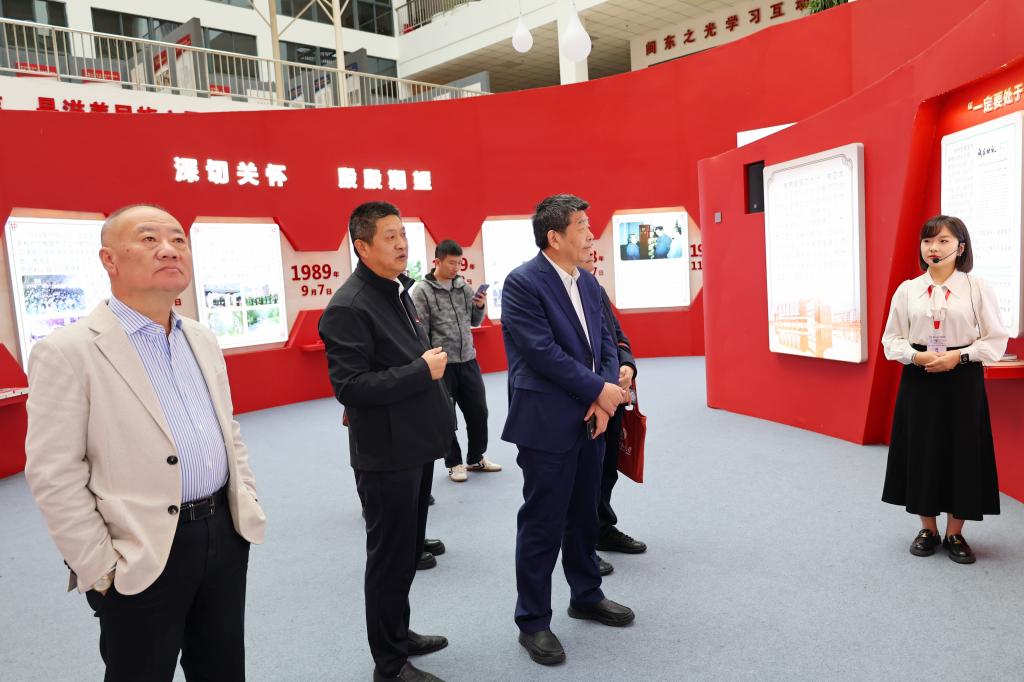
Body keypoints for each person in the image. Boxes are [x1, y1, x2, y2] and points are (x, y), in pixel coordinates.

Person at [24, 204, 266, 682]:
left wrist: (246, 501)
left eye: (178, 239)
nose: (169, 250)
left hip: (222, 532)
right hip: (138, 548)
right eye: (149, 239)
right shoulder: (68, 351)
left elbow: (228, 430)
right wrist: (98, 566)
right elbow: (54, 472)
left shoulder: (201, 338)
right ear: (109, 260)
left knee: (222, 668)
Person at [319, 201, 455, 682]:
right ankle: (390, 664)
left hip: (415, 445)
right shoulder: (349, 306)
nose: (402, 244)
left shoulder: (396, 289)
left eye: (403, 234)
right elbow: (351, 387)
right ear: (362, 246)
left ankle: (399, 634)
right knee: (389, 560)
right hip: (387, 455)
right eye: (390, 236)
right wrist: (422, 371)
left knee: (407, 554)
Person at [501, 194, 634, 667]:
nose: (591, 234)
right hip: (547, 422)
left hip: (592, 418)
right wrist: (600, 392)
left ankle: (587, 595)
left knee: (583, 515)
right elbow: (542, 354)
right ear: (554, 237)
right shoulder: (522, 283)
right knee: (542, 523)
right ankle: (533, 621)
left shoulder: (589, 283)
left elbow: (606, 343)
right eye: (582, 225)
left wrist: (607, 392)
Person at [881, 215, 1008, 564]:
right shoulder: (908, 290)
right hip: (920, 376)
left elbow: (995, 340)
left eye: (943, 241)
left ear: (961, 247)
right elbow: (891, 339)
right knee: (922, 449)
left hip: (962, 377)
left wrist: (959, 356)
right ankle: (928, 529)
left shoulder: (977, 288)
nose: (933, 248)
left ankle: (955, 532)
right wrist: (915, 356)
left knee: (962, 450)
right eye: (927, 241)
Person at [410, 239, 501, 483]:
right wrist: (431, 360)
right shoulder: (422, 291)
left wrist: (479, 306)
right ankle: (454, 463)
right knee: (446, 416)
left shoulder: (463, 287)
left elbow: (475, 321)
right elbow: (421, 331)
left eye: (459, 263)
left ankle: (475, 458)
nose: (456, 268)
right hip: (442, 364)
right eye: (451, 263)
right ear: (437, 262)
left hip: (468, 359)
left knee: (479, 412)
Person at [583, 252, 647, 577]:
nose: (591, 257)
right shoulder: (557, 296)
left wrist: (627, 365)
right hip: (587, 398)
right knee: (585, 476)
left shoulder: (596, 290)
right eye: (585, 250)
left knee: (607, 469)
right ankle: (582, 544)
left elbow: (617, 337)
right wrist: (599, 385)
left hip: (614, 393)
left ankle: (602, 527)